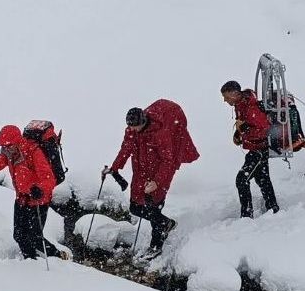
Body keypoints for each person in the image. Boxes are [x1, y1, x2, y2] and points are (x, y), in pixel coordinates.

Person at [106, 100, 199, 253]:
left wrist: (157, 182)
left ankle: (156, 246)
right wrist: (114, 168)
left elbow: (168, 161)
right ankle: (166, 223)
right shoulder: (132, 130)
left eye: (134, 126)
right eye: (130, 126)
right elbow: (126, 149)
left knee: (154, 206)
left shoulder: (160, 133)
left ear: (143, 122)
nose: (132, 129)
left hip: (159, 174)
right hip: (140, 173)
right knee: (135, 207)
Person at [0, 125, 62, 260]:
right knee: (19, 235)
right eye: (3, 146)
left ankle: (58, 256)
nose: (6, 149)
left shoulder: (33, 151)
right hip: (21, 198)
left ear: (17, 141)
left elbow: (49, 178)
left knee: (35, 237)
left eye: (8, 145)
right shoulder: (9, 153)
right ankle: (30, 260)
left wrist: (40, 189)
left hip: (38, 200)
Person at [221, 80, 279, 218]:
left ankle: (247, 215)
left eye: (226, 97)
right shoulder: (240, 105)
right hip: (255, 148)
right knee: (262, 179)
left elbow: (264, 130)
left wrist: (244, 129)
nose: (225, 100)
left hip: (260, 149)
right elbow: (246, 125)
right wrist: (239, 134)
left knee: (241, 179)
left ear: (235, 93)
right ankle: (273, 208)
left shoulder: (251, 106)